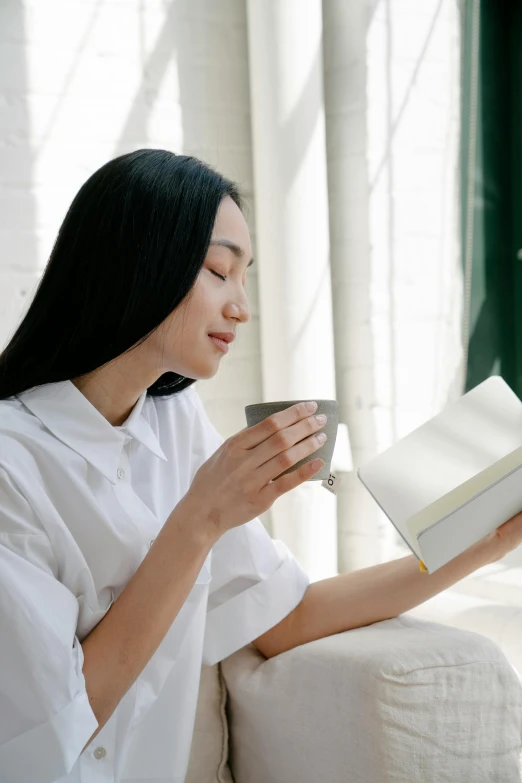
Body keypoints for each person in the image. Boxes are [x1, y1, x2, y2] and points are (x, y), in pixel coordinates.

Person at [0, 148, 520, 783]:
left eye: (245, 278)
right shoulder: (11, 463)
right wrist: (200, 518)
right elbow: (48, 732)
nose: (241, 306)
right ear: (140, 264)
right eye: (220, 271)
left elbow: (285, 617)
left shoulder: (172, 419)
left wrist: (478, 544)